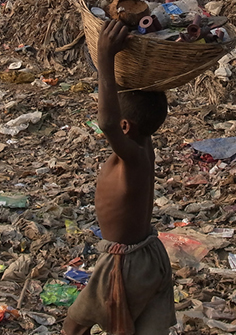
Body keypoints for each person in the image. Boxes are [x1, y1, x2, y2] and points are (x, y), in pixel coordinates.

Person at [63, 19, 176, 335]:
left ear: (126, 128)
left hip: (123, 263)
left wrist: (105, 59)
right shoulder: (145, 145)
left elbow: (108, 122)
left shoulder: (132, 158)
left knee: (75, 326)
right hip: (151, 258)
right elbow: (136, 103)